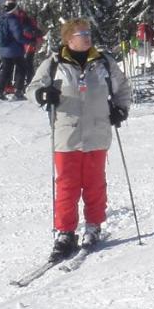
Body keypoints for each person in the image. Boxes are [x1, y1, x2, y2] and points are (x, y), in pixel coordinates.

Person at [33, 18, 132, 261]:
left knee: (94, 183)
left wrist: (121, 108)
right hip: (67, 134)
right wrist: (42, 94)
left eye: (88, 33)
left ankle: (93, 225)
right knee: (66, 185)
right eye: (81, 34)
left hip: (97, 132)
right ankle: (65, 232)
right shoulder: (54, 63)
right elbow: (33, 87)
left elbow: (122, 88)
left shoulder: (104, 62)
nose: (87, 37)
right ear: (68, 39)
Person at [0, 1, 28, 100]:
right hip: (14, 50)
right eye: (17, 9)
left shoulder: (2, 19)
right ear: (14, 9)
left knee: (6, 70)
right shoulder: (13, 20)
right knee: (22, 68)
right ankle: (18, 92)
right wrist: (29, 41)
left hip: (4, 50)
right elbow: (18, 36)